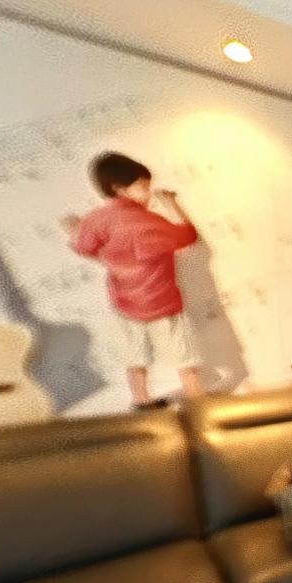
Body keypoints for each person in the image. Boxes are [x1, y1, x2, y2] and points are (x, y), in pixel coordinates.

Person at [63, 152, 205, 407]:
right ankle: (197, 399)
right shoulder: (149, 221)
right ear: (119, 188)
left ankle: (141, 400)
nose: (148, 192)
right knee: (184, 356)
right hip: (163, 301)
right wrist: (172, 204)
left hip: (126, 302)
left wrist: (74, 231)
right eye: (143, 186)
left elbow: (84, 247)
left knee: (135, 355)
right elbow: (188, 236)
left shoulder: (97, 220)